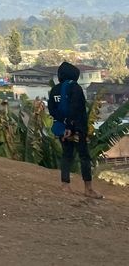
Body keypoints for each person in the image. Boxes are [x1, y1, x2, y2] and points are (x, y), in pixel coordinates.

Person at [50, 61, 102, 199]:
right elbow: (76, 109)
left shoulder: (55, 90)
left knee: (67, 156)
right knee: (84, 157)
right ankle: (88, 189)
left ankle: (65, 186)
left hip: (62, 128)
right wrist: (72, 126)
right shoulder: (76, 88)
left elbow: (52, 110)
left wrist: (65, 124)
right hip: (77, 129)